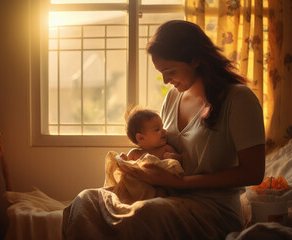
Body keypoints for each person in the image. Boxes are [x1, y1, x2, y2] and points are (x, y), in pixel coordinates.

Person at [62, 20, 265, 239]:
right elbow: (163, 150)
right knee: (86, 200)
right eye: (162, 72)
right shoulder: (172, 98)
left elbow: (253, 172)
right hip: (167, 196)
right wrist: (137, 163)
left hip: (212, 209)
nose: (166, 80)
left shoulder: (238, 98)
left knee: (145, 213)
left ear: (196, 59)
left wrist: (179, 182)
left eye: (170, 71)